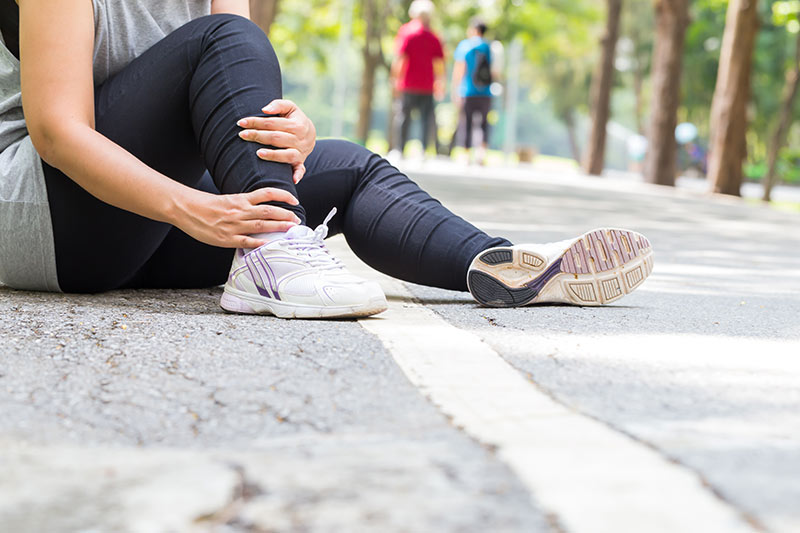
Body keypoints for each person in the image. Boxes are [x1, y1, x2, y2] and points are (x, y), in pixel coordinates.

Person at [0, 0, 654, 319]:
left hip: (133, 223)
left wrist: (295, 135)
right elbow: (58, 131)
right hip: (45, 214)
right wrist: (194, 207)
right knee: (222, 38)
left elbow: (231, 98)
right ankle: (273, 256)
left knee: (350, 167)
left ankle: (505, 265)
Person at [389, 0, 445, 159]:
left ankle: (399, 149)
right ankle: (423, 150)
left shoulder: (407, 33)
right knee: (426, 118)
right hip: (427, 85)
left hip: (408, 83)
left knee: (403, 117)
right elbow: (439, 63)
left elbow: (400, 59)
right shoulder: (434, 36)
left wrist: (394, 79)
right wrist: (439, 82)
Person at [451, 18, 495, 165]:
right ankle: (481, 153)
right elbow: (494, 71)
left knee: (467, 122)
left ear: (474, 29)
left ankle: (466, 153)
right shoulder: (488, 47)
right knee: (483, 123)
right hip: (485, 92)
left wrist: (455, 89)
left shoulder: (465, 45)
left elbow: (460, 68)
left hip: (467, 90)